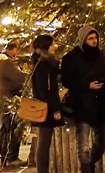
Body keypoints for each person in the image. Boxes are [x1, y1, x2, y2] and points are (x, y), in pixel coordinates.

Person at [61, 25, 105, 173]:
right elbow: (66, 81)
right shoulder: (71, 58)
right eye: (90, 38)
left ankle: (89, 163)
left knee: (101, 142)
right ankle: (86, 169)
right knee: (82, 143)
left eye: (95, 38)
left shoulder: (100, 55)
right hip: (81, 105)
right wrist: (86, 86)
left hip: (99, 105)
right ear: (83, 39)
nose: (94, 41)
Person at [31, 35, 64, 173]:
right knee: (44, 143)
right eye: (52, 44)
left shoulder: (45, 63)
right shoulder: (43, 65)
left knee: (45, 142)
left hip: (46, 106)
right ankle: (42, 170)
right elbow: (44, 90)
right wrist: (55, 109)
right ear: (46, 47)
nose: (55, 46)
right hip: (45, 108)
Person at [0, 41, 27, 167]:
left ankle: (8, 156)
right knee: (9, 128)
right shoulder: (5, 61)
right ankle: (9, 157)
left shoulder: (3, 60)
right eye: (16, 50)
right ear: (12, 49)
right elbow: (18, 77)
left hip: (7, 98)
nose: (17, 53)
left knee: (8, 127)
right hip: (8, 99)